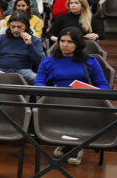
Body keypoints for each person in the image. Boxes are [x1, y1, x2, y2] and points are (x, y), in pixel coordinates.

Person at [35, 28, 109, 165]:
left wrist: (90, 92)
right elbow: (39, 83)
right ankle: (71, 145)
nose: (64, 44)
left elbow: (104, 86)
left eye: (70, 42)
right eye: (62, 41)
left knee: (77, 111)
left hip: (83, 104)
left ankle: (73, 145)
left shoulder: (90, 61)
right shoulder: (47, 61)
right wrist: (48, 92)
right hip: (56, 102)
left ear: (78, 44)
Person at [0, 11, 44, 83]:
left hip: (23, 71)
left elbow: (40, 63)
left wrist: (30, 45)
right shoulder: (1, 38)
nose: (16, 30)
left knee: (38, 80)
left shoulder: (35, 40)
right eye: (13, 26)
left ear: (26, 26)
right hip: (1, 70)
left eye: (19, 27)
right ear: (9, 25)